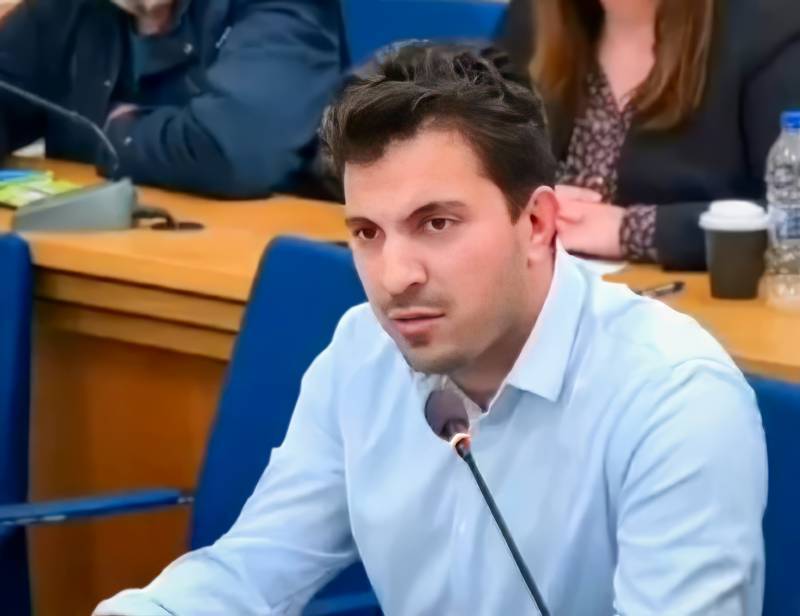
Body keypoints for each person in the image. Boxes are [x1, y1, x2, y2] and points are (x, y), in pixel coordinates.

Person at [95, 44, 767, 615]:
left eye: (436, 224)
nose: (395, 277)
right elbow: (251, 571)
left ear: (537, 224)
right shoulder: (362, 352)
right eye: (367, 233)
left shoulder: (673, 399)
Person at [499, 0, 800, 270]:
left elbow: (790, 216)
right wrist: (523, 200)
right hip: (544, 293)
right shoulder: (532, 17)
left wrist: (631, 231)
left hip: (699, 304)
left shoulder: (768, 29)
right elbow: (486, 168)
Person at [0, 0, 344, 198]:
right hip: (83, 266)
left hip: (244, 277)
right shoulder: (70, 10)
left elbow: (238, 151)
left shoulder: (279, 9)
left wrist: (118, 133)